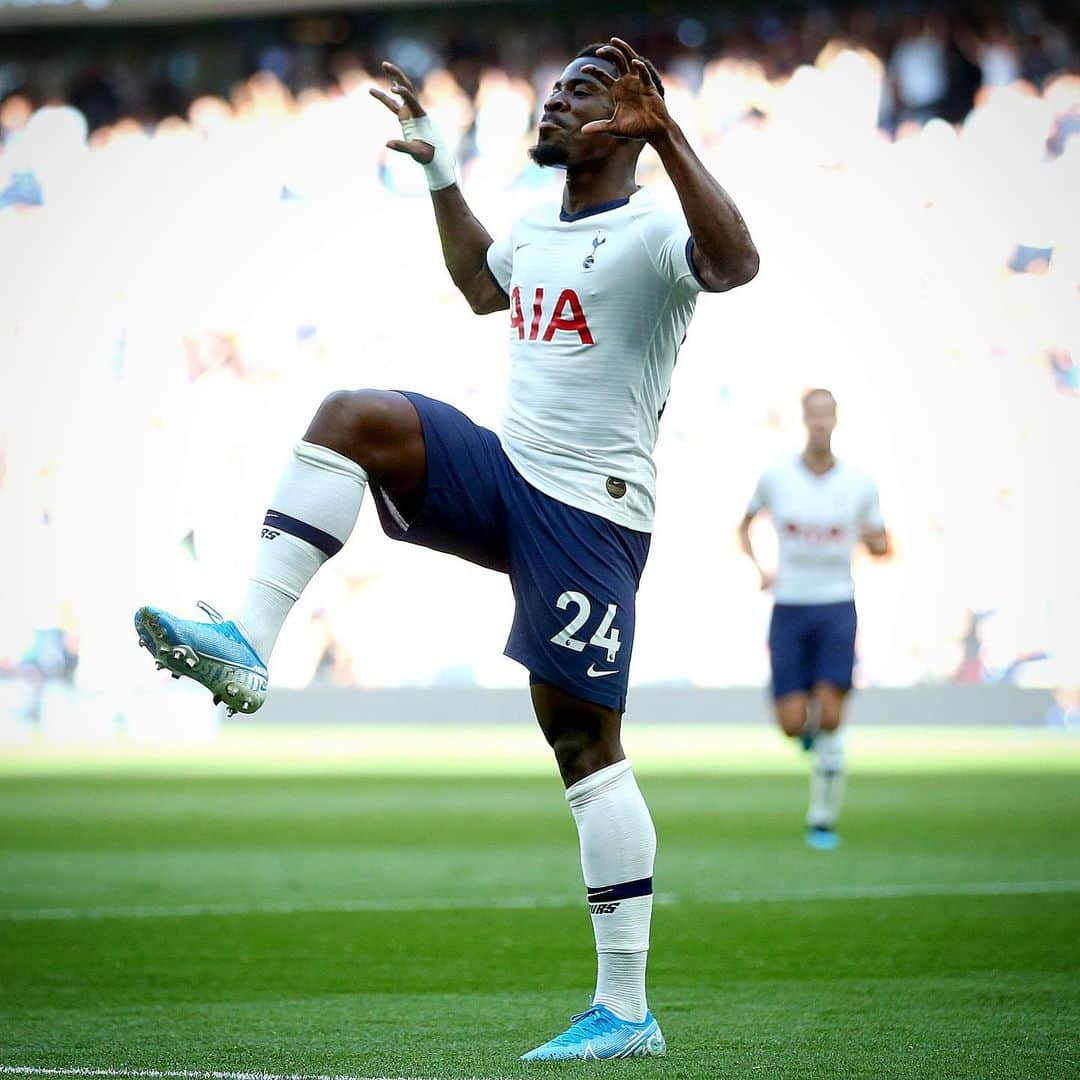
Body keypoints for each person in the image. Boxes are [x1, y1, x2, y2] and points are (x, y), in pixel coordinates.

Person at [134, 37, 758, 1060]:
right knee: (353, 418)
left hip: (591, 517)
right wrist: (438, 173)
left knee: (583, 749)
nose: (553, 105)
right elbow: (481, 283)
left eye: (579, 94)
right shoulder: (540, 226)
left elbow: (736, 263)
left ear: (625, 120)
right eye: (554, 91)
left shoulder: (652, 230)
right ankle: (248, 637)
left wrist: (672, 134)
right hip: (511, 474)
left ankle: (628, 1009)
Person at [738, 389, 889, 851]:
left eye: (827, 416)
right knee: (791, 722)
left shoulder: (860, 484)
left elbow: (883, 544)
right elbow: (744, 525)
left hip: (837, 605)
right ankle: (809, 740)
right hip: (789, 605)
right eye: (814, 416)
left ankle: (821, 818)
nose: (820, 423)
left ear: (836, 420)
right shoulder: (777, 476)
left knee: (831, 715)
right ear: (805, 420)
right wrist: (761, 568)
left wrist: (872, 541)